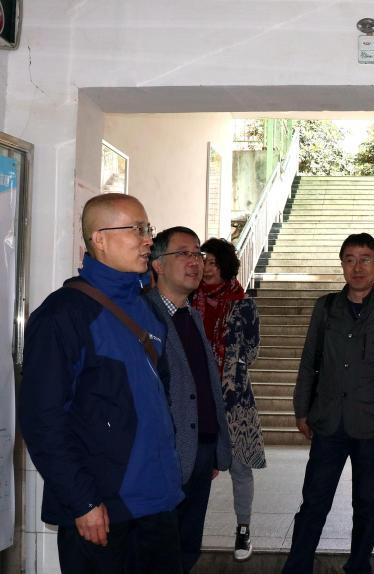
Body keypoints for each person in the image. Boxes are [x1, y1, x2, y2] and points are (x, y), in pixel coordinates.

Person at [19, 194, 183, 573]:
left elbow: (161, 397)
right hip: (103, 511)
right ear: (100, 239)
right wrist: (83, 502)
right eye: (137, 229)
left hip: (158, 504)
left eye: (148, 229)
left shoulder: (148, 309)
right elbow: (42, 420)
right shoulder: (64, 314)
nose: (148, 240)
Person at [282, 232, 374, 574]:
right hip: (329, 424)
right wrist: (302, 409)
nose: (358, 267)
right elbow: (309, 360)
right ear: (342, 265)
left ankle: (358, 566)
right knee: (314, 502)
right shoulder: (325, 307)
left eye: (365, 259)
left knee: (367, 503)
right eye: (350, 259)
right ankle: (297, 567)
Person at [143, 227, 232, 573]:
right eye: (183, 253)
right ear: (157, 264)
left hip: (200, 451)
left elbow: (204, 385)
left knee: (187, 547)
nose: (195, 262)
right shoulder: (144, 316)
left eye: (198, 254)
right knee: (160, 552)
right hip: (166, 455)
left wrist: (214, 445)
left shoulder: (190, 314)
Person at [193, 237, 266, 562]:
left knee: (240, 467)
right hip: (196, 398)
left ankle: (243, 528)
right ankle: (188, 529)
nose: (206, 267)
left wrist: (227, 365)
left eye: (212, 262)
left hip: (234, 400)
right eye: (203, 261)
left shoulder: (244, 304)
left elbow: (252, 350)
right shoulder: (189, 300)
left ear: (224, 266)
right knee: (195, 466)